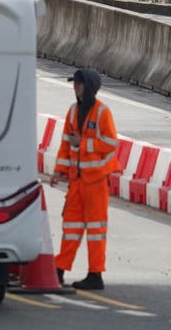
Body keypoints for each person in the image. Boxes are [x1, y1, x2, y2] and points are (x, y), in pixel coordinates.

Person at [51, 68, 119, 290]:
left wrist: (83, 142)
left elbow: (111, 144)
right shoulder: (72, 112)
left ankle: (95, 274)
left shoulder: (102, 113)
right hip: (77, 182)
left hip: (97, 181)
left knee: (96, 231)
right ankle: (59, 269)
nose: (75, 87)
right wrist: (58, 171)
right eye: (74, 83)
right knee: (70, 227)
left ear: (88, 87)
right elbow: (65, 144)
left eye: (79, 83)